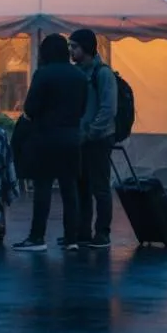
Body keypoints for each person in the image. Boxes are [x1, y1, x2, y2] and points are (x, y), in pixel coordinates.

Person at [13, 33, 87, 251]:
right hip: (72, 138)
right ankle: (71, 238)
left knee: (43, 188)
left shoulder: (43, 74)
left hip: (45, 138)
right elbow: (83, 108)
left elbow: (30, 108)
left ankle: (37, 237)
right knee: (69, 189)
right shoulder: (79, 75)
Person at [68, 28, 116, 249]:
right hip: (82, 139)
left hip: (98, 139)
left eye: (74, 46)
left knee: (100, 187)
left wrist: (92, 131)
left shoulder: (102, 73)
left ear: (86, 47)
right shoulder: (78, 72)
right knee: (82, 187)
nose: (71, 50)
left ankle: (102, 232)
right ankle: (83, 231)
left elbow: (108, 108)